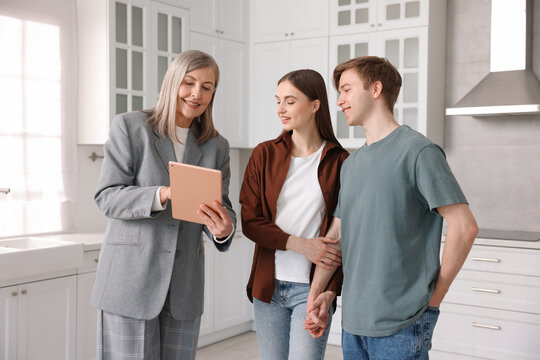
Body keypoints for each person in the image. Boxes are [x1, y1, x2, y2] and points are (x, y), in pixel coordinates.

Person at [305, 56, 479, 360]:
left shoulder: (419, 152)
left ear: (375, 89)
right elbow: (337, 236)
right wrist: (318, 293)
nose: (339, 101)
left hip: (402, 325)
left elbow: (465, 227)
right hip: (353, 325)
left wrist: (434, 300)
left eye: (346, 90)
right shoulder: (352, 164)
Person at [92, 50, 236, 360]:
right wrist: (163, 194)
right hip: (130, 283)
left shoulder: (216, 146)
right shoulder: (131, 127)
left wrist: (224, 228)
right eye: (189, 82)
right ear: (173, 82)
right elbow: (107, 196)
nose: (197, 93)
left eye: (207, 87)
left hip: (183, 287)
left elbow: (221, 207)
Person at [239, 69, 349, 360]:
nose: (281, 109)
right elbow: (250, 222)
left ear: (315, 105)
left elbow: (343, 233)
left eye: (290, 101)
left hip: (312, 288)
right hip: (268, 286)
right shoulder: (264, 154)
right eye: (278, 101)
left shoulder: (341, 161)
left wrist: (330, 292)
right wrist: (301, 244)